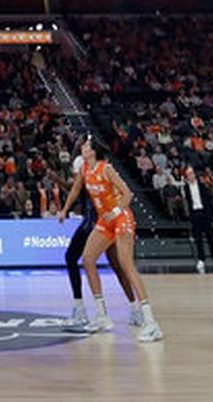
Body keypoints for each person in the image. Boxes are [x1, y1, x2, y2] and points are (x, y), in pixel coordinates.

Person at [58, 139, 160, 341]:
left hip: (121, 217)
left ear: (93, 151)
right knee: (88, 259)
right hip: (105, 221)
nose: (82, 148)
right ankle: (102, 316)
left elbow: (127, 194)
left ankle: (151, 323)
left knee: (126, 266)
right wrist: (64, 209)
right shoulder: (85, 169)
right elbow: (75, 190)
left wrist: (115, 211)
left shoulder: (107, 169)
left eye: (86, 146)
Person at [59, 153, 138, 330]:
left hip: (97, 223)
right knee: (115, 266)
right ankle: (134, 308)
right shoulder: (89, 173)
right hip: (100, 222)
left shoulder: (93, 174)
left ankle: (83, 310)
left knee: (77, 258)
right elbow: (74, 190)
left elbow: (75, 189)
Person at [179, 166, 213, 272]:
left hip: (204, 212)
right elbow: (187, 200)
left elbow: (209, 197)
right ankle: (201, 259)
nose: (191, 176)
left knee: (210, 237)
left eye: (192, 173)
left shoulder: (202, 185)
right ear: (186, 177)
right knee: (198, 238)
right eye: (188, 174)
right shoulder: (186, 188)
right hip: (195, 213)